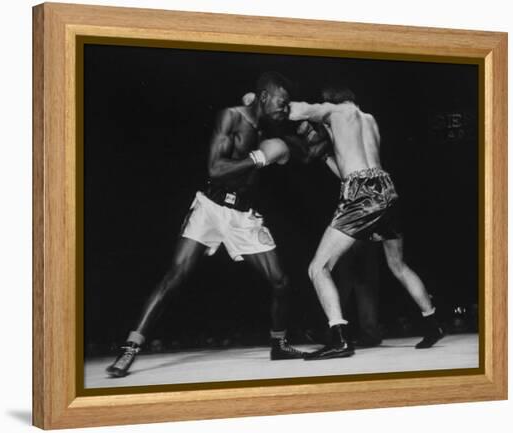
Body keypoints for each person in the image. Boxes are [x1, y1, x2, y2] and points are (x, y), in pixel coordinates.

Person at [105, 72, 305, 378]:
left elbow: (293, 132)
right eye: (281, 101)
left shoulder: (266, 122)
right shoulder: (230, 117)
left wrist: (295, 136)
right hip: (210, 208)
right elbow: (216, 168)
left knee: (280, 281)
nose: (285, 108)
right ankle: (130, 348)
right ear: (265, 96)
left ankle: (278, 345)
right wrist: (260, 158)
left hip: (242, 215)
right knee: (175, 276)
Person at [287, 85, 444, 360]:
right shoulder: (370, 120)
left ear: (330, 100)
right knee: (398, 265)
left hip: (362, 193)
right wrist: (325, 155)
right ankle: (433, 324)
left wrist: (261, 101)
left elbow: (296, 110)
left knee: (318, 267)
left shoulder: (333, 111)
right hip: (386, 188)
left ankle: (339, 338)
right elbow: (351, 167)